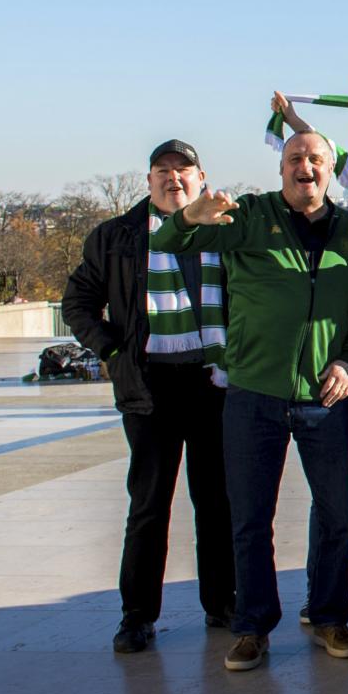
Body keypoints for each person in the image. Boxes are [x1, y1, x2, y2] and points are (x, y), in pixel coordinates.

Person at [155, 132, 348, 673]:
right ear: (281, 169)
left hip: (325, 395)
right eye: (295, 158)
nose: (305, 167)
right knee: (249, 518)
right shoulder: (250, 215)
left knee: (341, 512)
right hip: (255, 393)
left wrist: (347, 361)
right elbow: (168, 247)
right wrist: (191, 217)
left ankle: (329, 615)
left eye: (316, 159)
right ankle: (252, 627)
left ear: (329, 170)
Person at [61, 139, 234, 655]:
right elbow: (78, 301)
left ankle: (222, 602)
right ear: (149, 180)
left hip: (213, 382)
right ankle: (137, 615)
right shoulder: (117, 237)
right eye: (163, 171)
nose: (173, 180)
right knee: (149, 505)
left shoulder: (224, 230)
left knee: (216, 502)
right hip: (150, 385)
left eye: (183, 171)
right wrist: (112, 350)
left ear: (202, 178)